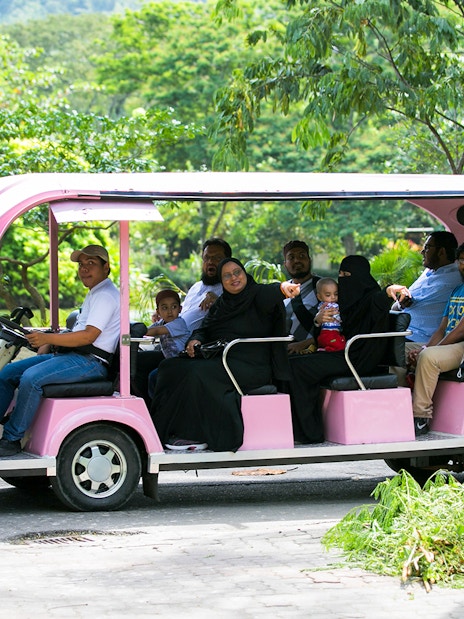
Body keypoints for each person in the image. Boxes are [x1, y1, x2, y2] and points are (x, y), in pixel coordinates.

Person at [150, 258, 300, 452]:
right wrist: (195, 340)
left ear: (244, 274)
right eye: (227, 275)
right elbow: (205, 328)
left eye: (237, 272)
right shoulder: (222, 304)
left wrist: (283, 288)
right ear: (222, 281)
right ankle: (162, 430)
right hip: (223, 360)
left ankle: (191, 434)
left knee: (195, 372)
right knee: (170, 367)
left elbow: (273, 291)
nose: (233, 278)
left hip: (252, 366)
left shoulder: (257, 294)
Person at [0, 245, 120, 457]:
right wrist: (50, 339)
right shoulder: (95, 293)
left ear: (106, 267)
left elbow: (88, 336)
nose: (84, 269)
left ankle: (11, 440)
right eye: (81, 265)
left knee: (31, 378)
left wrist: (47, 338)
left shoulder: (106, 295)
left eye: (91, 264)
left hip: (91, 362)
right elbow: (78, 329)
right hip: (75, 356)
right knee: (7, 374)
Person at [289, 255, 403, 444]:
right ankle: (300, 429)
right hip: (342, 352)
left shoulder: (369, 297)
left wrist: (390, 290)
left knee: (298, 369)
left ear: (360, 275)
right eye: (340, 274)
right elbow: (328, 330)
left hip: (358, 358)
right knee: (292, 363)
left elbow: (381, 299)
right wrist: (318, 320)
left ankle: (311, 433)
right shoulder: (345, 301)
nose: (342, 279)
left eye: (347, 274)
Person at [133, 237, 232, 402]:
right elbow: (180, 313)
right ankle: (143, 411)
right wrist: (164, 316)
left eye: (216, 258)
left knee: (157, 374)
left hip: (195, 352)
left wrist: (219, 301)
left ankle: (160, 417)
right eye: (207, 258)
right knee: (135, 361)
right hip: (172, 344)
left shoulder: (227, 291)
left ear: (227, 261)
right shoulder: (196, 287)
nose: (210, 262)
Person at [407, 242, 464, 436]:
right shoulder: (457, 290)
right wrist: (424, 347)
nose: (463, 265)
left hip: (461, 346)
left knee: (429, 357)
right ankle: (399, 410)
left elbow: (459, 330)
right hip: (450, 343)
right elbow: (442, 328)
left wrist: (428, 351)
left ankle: (420, 416)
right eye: (461, 260)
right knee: (401, 352)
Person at [145, 289, 190, 398]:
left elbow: (155, 331)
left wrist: (135, 330)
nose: (169, 311)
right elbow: (149, 331)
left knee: (154, 376)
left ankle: (157, 405)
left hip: (182, 361)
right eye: (164, 308)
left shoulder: (179, 323)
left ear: (180, 309)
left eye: (173, 307)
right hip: (170, 361)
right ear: (158, 311)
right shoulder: (161, 322)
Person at [282, 240, 320, 355]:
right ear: (285, 264)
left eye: (302, 256)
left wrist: (303, 344)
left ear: (309, 260)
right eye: (291, 257)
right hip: (286, 353)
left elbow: (335, 327)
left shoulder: (323, 287)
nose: (297, 260)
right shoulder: (282, 290)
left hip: (314, 352)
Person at [315, 277, 346, 352]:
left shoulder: (321, 306)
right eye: (328, 295)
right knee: (341, 345)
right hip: (330, 332)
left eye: (336, 294)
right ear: (319, 297)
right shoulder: (332, 306)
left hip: (324, 333)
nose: (333, 297)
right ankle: (327, 350)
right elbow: (336, 316)